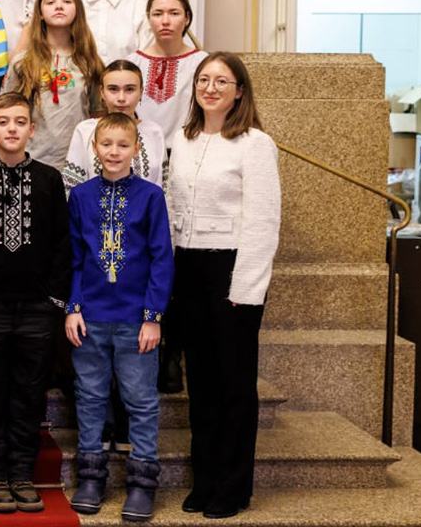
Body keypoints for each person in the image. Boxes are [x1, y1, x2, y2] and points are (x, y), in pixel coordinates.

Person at [167, 53, 280, 520]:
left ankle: (232, 488)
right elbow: (175, 212)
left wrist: (246, 287)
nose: (210, 88)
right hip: (188, 268)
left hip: (232, 271)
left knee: (234, 384)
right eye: (204, 79)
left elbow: (263, 220)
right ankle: (205, 480)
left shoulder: (255, 143)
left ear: (239, 91)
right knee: (202, 384)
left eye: (222, 81)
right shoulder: (184, 137)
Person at [0, 91, 70, 514]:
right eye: (3, 122)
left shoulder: (48, 179)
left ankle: (22, 472)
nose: (11, 129)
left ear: (31, 130)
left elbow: (62, 243)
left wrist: (55, 299)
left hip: (37, 308)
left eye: (19, 122)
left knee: (28, 393)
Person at [66, 111, 174, 521]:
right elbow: (74, 258)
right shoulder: (80, 197)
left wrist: (153, 316)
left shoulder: (151, 197)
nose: (114, 152)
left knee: (141, 401)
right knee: (90, 398)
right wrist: (72, 308)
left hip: (135, 319)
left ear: (136, 149)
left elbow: (162, 258)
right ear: (94, 148)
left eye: (122, 145)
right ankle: (91, 476)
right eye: (106, 144)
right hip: (90, 318)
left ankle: (142, 482)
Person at [2, 0, 103, 169]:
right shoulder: (22, 63)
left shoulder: (90, 64)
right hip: (30, 162)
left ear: (77, 10)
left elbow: (98, 118)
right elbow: (5, 115)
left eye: (67, 1)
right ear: (40, 13)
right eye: (50, 2)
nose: (59, 6)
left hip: (77, 164)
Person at [62, 60, 165, 193]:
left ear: (140, 92)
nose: (121, 98)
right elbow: (72, 189)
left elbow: (162, 188)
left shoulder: (153, 132)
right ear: (102, 92)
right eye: (113, 89)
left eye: (129, 89)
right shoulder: (86, 131)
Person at [127, 0, 206, 151]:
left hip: (188, 152)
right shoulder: (132, 63)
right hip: (139, 154)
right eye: (157, 14)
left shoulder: (202, 63)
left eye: (174, 13)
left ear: (187, 18)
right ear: (148, 18)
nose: (165, 21)